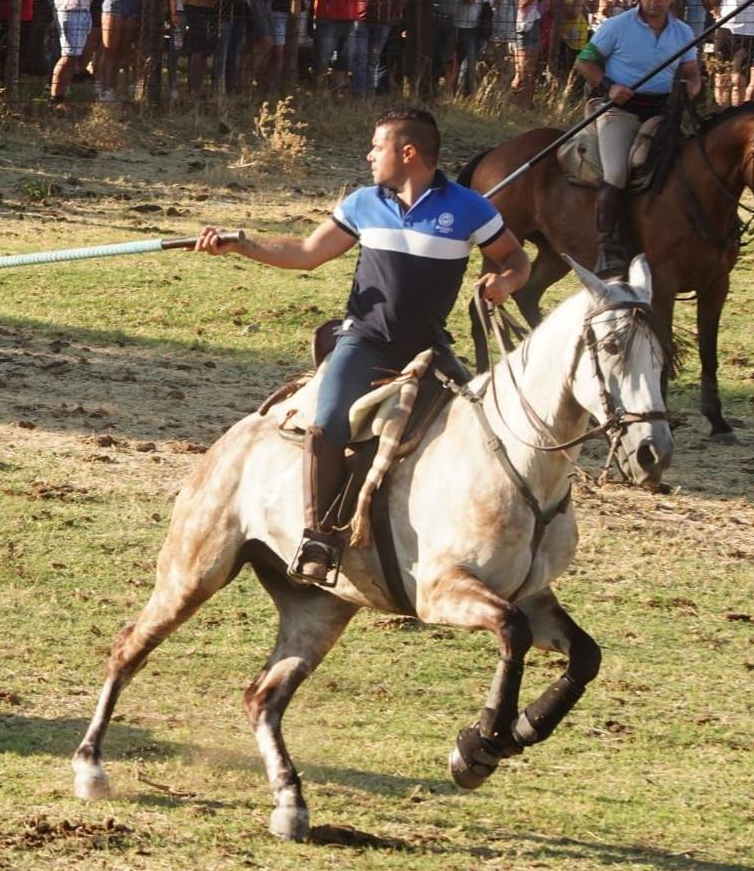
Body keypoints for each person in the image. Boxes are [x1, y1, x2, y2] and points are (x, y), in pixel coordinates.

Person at [194, 109, 529, 586]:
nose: (370, 155)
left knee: (480, 427)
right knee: (326, 420)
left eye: (378, 146)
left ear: (407, 153)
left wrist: (506, 281)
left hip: (429, 349)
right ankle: (318, 536)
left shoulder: (471, 209)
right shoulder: (363, 203)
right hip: (365, 342)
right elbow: (308, 253)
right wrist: (241, 244)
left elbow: (515, 257)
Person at [573, 0, 705, 275]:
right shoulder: (617, 26)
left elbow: (691, 73)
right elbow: (584, 62)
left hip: (664, 112)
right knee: (617, 171)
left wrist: (693, 87)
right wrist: (610, 86)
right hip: (621, 110)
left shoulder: (683, 32)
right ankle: (608, 246)